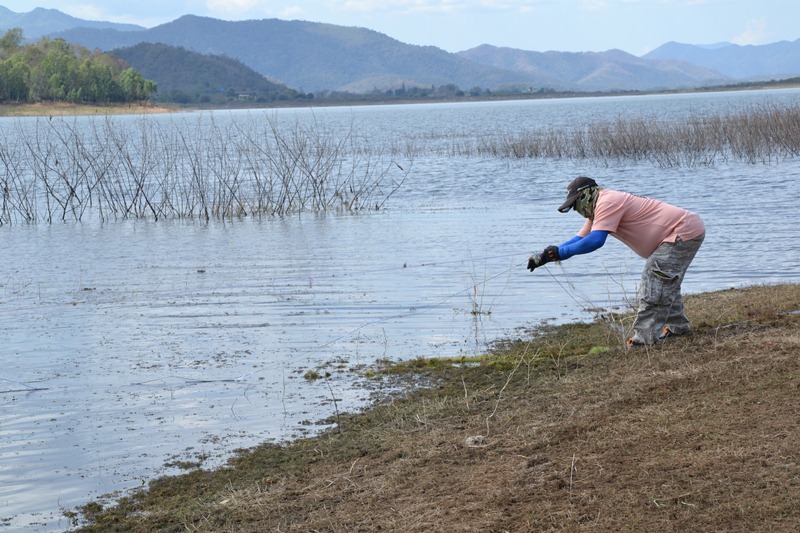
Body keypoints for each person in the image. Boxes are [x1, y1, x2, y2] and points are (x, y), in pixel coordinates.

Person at [528, 176, 705, 347]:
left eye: (576, 205)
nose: (577, 210)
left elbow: (595, 241)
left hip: (683, 231)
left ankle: (644, 339)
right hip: (683, 230)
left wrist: (560, 252)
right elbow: (580, 238)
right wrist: (546, 256)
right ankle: (679, 329)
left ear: (586, 195)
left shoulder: (608, 201)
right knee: (665, 281)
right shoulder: (598, 209)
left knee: (655, 280)